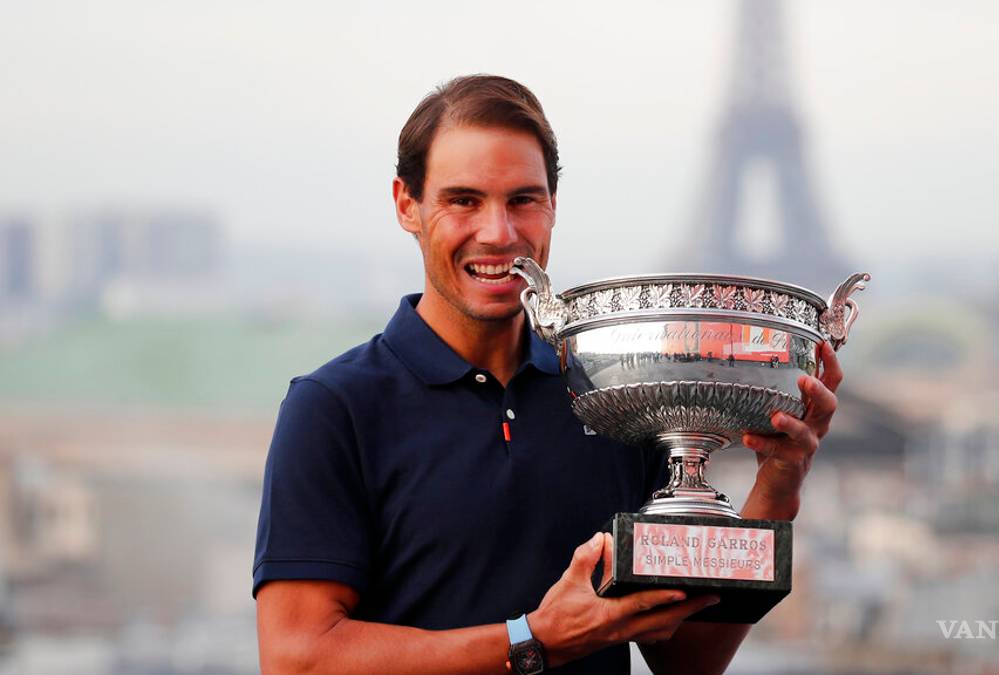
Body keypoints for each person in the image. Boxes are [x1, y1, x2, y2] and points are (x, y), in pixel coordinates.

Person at [253, 74, 842, 675]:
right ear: (408, 205)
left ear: (553, 205)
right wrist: (534, 640)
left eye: (522, 200)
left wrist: (779, 482)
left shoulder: (614, 393)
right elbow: (296, 660)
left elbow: (685, 659)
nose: (498, 234)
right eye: (464, 201)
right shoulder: (334, 408)